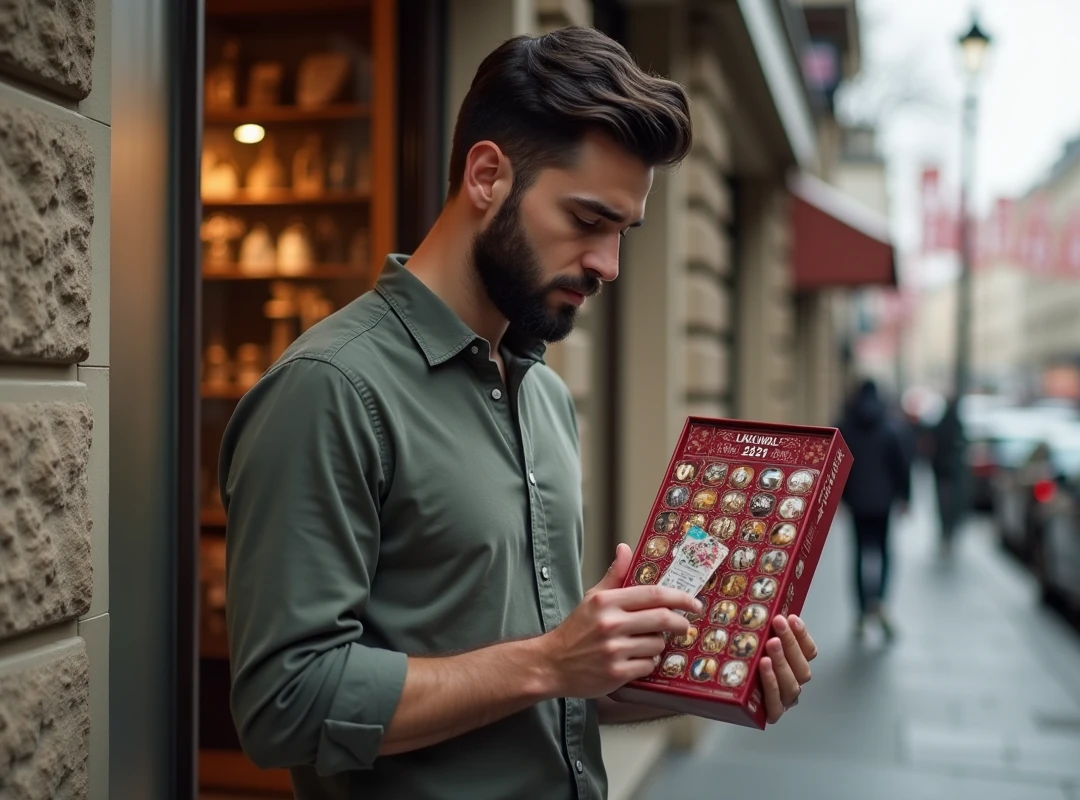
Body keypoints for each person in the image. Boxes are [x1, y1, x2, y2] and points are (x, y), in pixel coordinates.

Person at [218, 26, 818, 800]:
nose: (608, 265)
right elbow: (283, 705)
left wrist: (721, 678)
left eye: (623, 232)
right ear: (487, 176)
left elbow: (548, 693)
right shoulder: (329, 389)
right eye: (587, 220)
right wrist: (549, 660)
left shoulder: (542, 395)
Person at [835, 379, 911, 639]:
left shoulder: (846, 427)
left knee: (858, 554)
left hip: (857, 502)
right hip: (882, 503)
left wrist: (840, 499)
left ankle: (859, 612)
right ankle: (879, 602)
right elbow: (901, 465)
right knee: (884, 553)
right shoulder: (889, 427)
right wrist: (905, 497)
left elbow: (838, 466)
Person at [930, 393, 965, 551]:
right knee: (951, 506)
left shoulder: (942, 425)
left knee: (944, 506)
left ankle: (946, 532)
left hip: (943, 474)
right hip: (951, 474)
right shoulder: (957, 425)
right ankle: (948, 532)